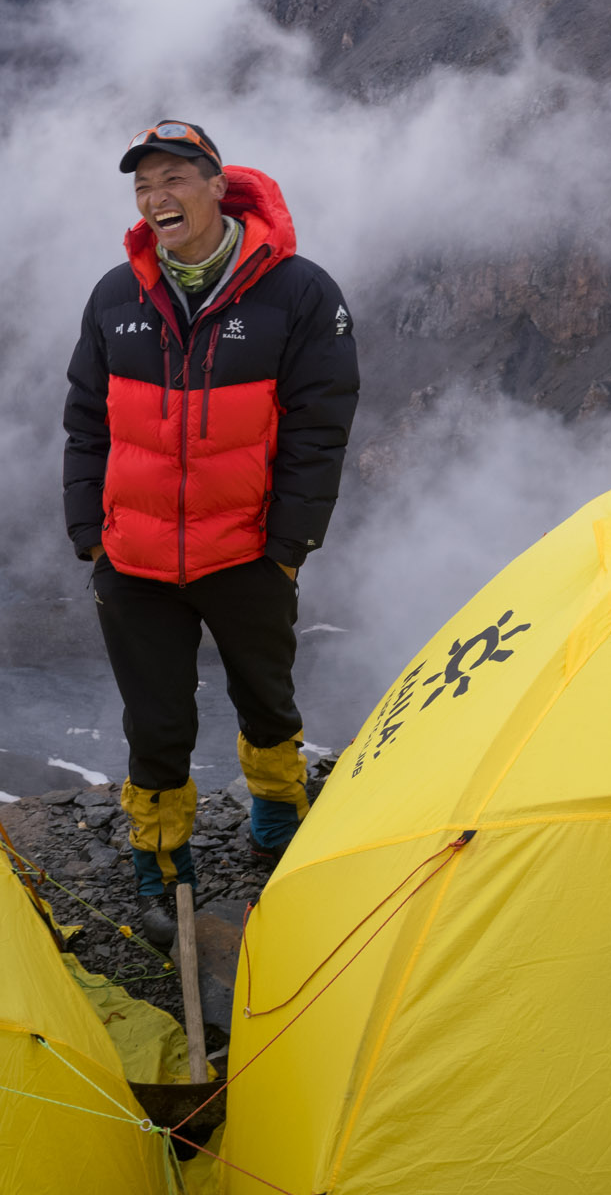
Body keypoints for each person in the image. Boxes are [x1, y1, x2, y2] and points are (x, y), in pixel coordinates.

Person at [64, 119, 359, 946]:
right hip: (135, 559)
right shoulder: (116, 297)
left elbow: (320, 425)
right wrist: (90, 534)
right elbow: (86, 420)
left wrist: (288, 548)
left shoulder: (298, 291)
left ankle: (277, 810)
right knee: (156, 720)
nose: (156, 199)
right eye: (143, 186)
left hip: (247, 552)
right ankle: (162, 856)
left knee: (266, 695)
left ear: (217, 186)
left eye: (173, 180)